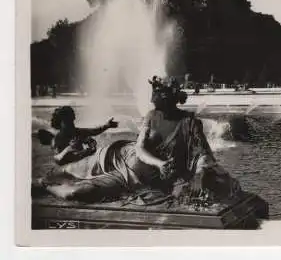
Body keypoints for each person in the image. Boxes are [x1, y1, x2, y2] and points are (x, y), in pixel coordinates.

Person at [34, 76, 241, 204]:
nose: (154, 100)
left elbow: (204, 154)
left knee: (76, 193)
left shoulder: (189, 122)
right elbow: (140, 148)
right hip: (116, 157)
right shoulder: (151, 116)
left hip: (131, 179)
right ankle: (42, 182)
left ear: (170, 97)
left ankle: (46, 186)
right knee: (64, 171)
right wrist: (159, 163)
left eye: (158, 95)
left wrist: (199, 174)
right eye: (155, 96)